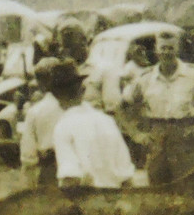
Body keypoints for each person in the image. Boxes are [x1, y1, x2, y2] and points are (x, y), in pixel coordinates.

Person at [121, 30, 194, 184]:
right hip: (157, 142)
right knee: (158, 190)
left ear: (177, 50)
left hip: (187, 140)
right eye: (163, 48)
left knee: (191, 187)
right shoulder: (146, 78)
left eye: (171, 48)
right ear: (156, 50)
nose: (167, 52)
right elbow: (121, 105)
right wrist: (135, 133)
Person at [51, 59, 136, 189]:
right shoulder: (107, 121)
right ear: (83, 90)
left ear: (55, 96)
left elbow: (70, 179)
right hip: (118, 201)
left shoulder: (63, 126)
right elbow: (127, 177)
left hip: (86, 202)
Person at [18, 57, 63, 185]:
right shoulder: (78, 108)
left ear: (40, 83)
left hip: (50, 171)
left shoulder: (36, 111)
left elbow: (28, 156)